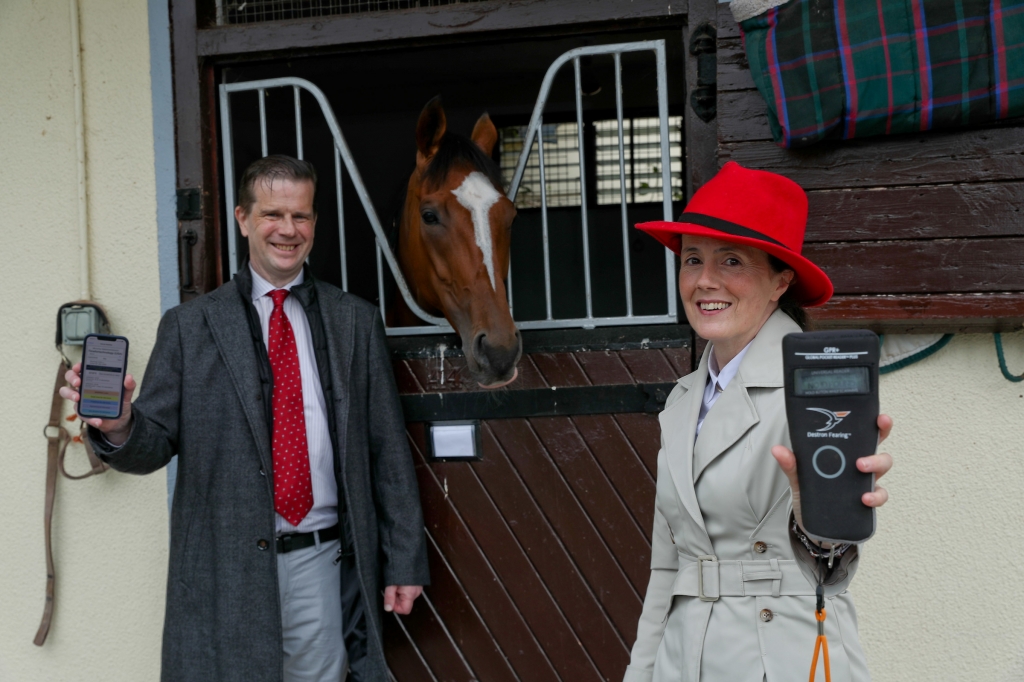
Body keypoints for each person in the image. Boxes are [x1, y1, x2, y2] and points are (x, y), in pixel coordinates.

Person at [60, 155, 429, 682]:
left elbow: (387, 448)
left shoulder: (354, 320)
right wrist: (118, 423)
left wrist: (404, 560)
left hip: (321, 561)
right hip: (224, 568)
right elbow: (154, 444)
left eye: (301, 216)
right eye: (272, 214)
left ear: (315, 223)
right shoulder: (190, 326)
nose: (288, 229)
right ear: (243, 219)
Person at [623, 162, 894, 682]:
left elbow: (830, 558)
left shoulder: (817, 387)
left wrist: (823, 517)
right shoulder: (681, 403)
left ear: (779, 282)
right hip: (681, 664)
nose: (704, 280)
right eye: (692, 259)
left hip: (783, 657)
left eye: (731, 261)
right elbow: (667, 570)